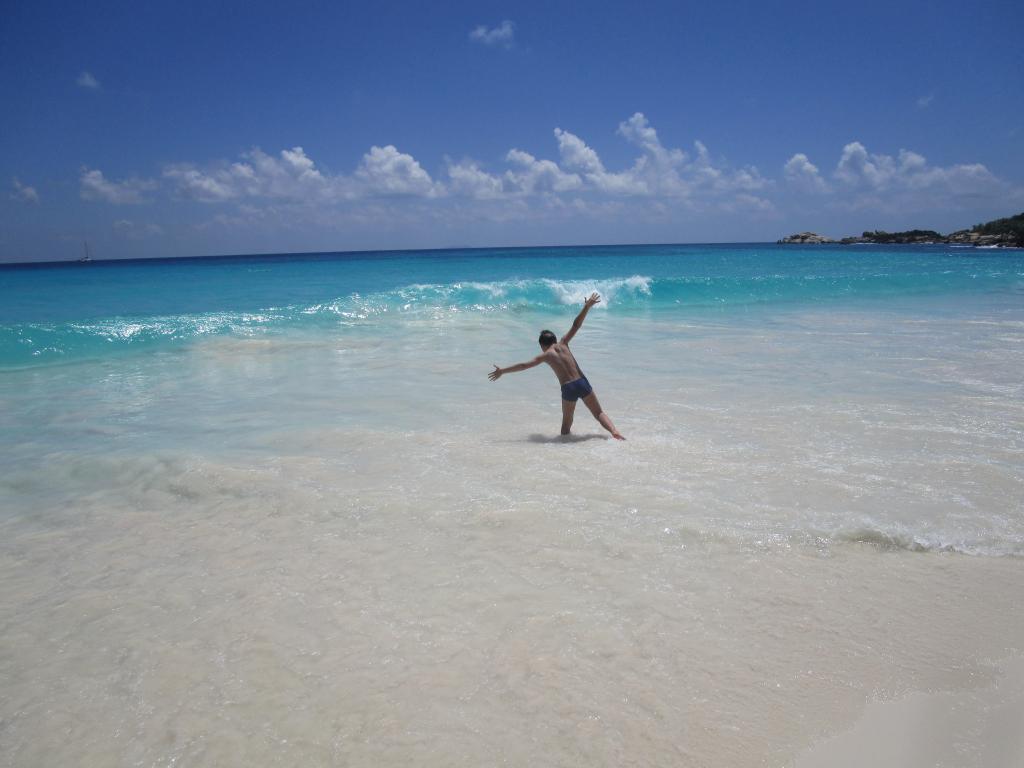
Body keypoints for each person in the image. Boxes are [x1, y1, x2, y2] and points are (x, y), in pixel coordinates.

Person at [488, 292, 625, 440]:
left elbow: (524, 365)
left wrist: (503, 371)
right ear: (554, 339)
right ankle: (614, 431)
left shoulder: (546, 355)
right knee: (598, 413)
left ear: (542, 345)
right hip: (582, 382)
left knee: (566, 424)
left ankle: (564, 448)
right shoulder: (564, 342)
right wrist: (587, 307)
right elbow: (576, 325)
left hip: (568, 388)